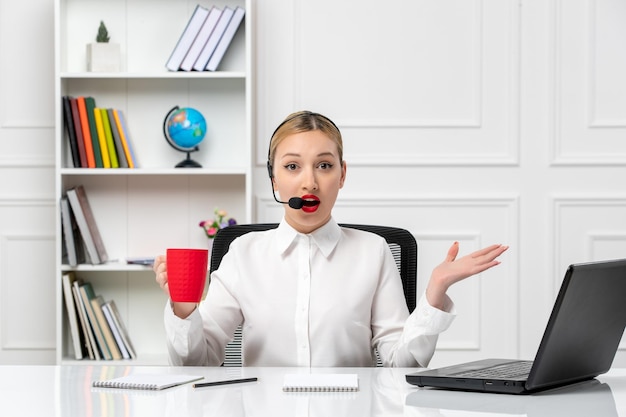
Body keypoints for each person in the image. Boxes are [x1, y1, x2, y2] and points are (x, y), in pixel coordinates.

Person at [154, 110, 508, 367]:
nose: (309, 182)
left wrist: (434, 294)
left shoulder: (373, 251)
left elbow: (402, 365)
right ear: (274, 179)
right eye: (292, 167)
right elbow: (196, 362)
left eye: (324, 165)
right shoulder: (243, 254)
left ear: (341, 175)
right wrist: (184, 310)